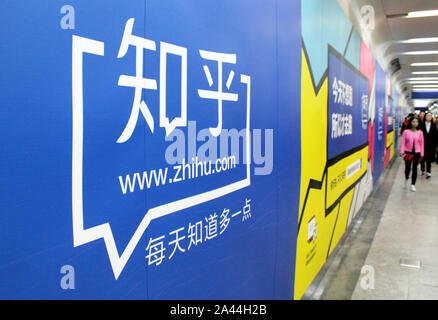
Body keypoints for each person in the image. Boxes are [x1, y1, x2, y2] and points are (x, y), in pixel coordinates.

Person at [400, 116, 424, 192]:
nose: (415, 123)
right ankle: (406, 177)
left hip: (417, 152)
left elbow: (421, 144)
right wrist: (402, 151)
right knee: (407, 168)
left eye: (416, 122)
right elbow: (403, 143)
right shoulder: (406, 132)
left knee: (415, 169)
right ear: (410, 122)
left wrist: (422, 154)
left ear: (418, 123)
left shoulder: (420, 132)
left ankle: (413, 184)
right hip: (408, 152)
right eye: (413, 121)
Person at [420, 112, 438, 178]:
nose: (429, 117)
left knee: (429, 159)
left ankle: (428, 171)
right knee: (422, 157)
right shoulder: (421, 124)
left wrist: (436, 145)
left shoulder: (433, 125)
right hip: (422, 144)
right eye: (427, 115)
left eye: (430, 116)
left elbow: (436, 136)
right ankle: (422, 169)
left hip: (431, 145)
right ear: (425, 116)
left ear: (432, 117)